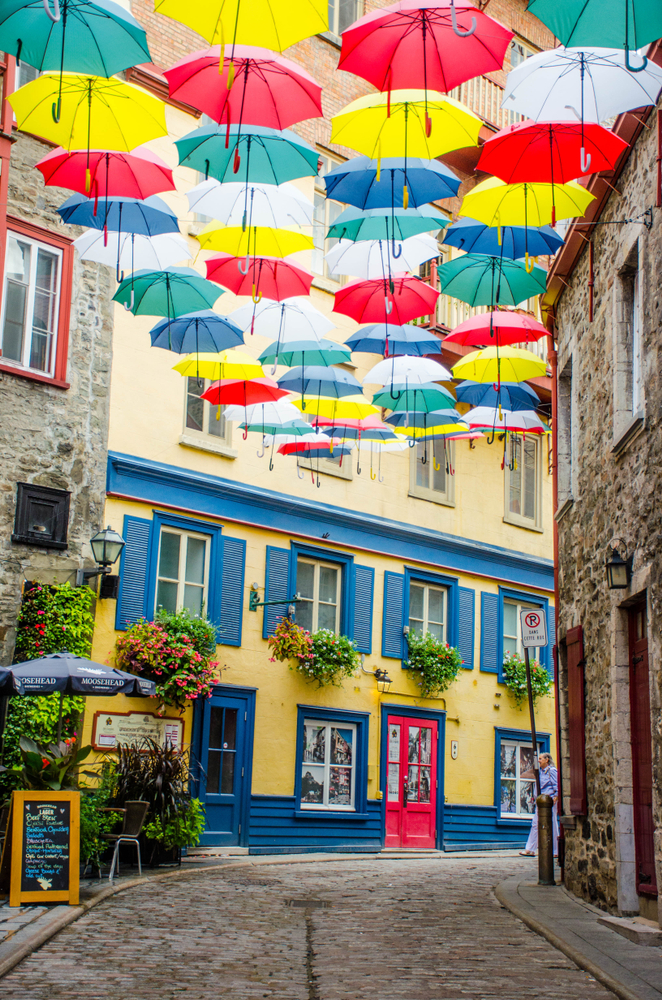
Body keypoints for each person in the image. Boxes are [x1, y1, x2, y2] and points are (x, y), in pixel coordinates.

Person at [519, 752, 558, 857]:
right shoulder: (540, 772)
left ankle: (556, 850)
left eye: (541, 759)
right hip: (540, 802)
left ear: (547, 760)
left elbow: (557, 786)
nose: (539, 761)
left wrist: (555, 798)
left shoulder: (552, 771)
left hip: (549, 802)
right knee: (535, 824)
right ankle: (530, 849)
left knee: (552, 824)